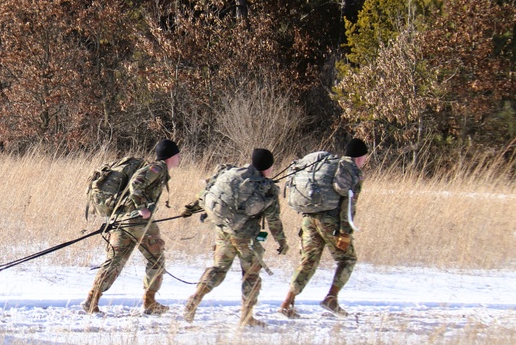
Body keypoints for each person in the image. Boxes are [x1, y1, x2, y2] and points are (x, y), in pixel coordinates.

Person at [182, 148, 288, 327]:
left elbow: (208, 191)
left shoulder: (232, 174)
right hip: (247, 238)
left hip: (223, 230)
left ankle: (196, 297)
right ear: (268, 167)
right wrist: (282, 241)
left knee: (219, 268)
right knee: (251, 275)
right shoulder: (266, 188)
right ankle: (247, 317)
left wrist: (190, 208)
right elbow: (273, 220)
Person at [81, 138, 182, 315]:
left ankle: (92, 299)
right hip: (138, 222)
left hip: (122, 220)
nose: (180, 158)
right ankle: (150, 302)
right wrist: (142, 207)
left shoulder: (159, 169)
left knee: (114, 261)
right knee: (156, 259)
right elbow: (137, 182)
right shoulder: (157, 168)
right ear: (170, 156)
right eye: (177, 155)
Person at [279, 138, 369, 318]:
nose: (366, 160)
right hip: (330, 222)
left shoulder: (331, 166)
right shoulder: (351, 171)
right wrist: (345, 232)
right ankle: (331, 298)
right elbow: (348, 205)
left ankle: (287, 302)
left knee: (308, 261)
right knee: (348, 259)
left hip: (308, 220)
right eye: (365, 156)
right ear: (360, 157)